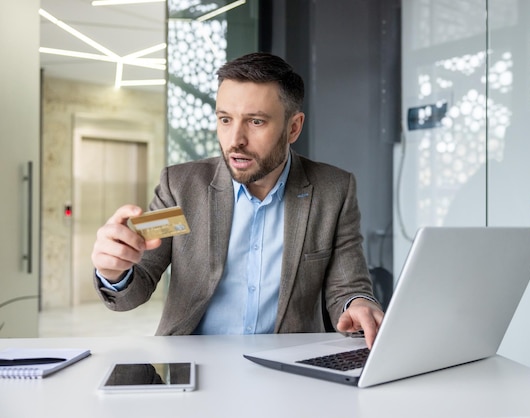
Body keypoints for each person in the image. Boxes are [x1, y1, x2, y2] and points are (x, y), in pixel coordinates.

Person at [91, 52, 384, 348]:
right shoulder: (181, 188)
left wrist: (358, 304)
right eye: (225, 120)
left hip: (289, 366)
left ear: (293, 127)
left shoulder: (332, 190)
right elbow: (136, 284)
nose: (235, 140)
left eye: (255, 122)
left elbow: (348, 286)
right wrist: (115, 270)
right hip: (194, 364)